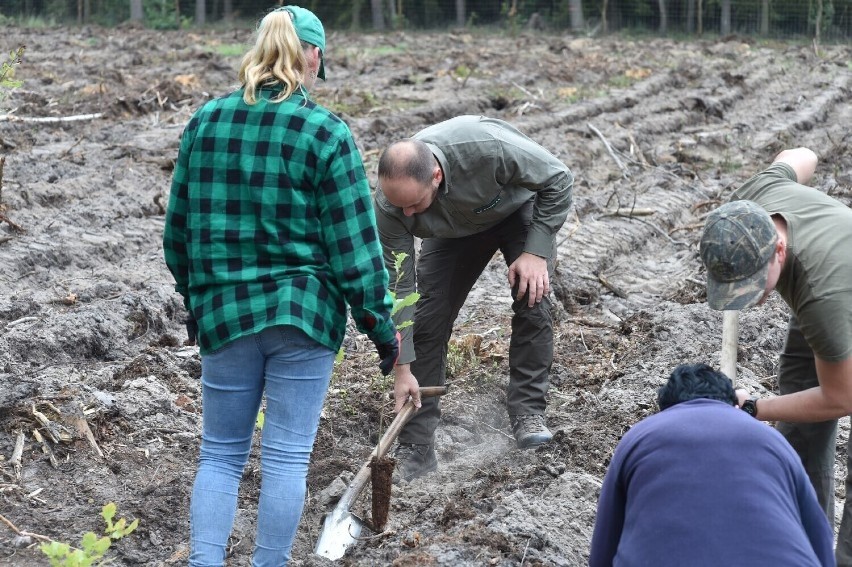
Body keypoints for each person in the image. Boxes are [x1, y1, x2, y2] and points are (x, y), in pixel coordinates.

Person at [162, 7, 417, 565]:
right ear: (314, 58)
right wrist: (388, 342)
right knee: (284, 459)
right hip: (302, 316)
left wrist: (199, 299)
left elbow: (176, 234)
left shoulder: (206, 122)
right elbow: (356, 255)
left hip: (224, 313)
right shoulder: (326, 133)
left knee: (220, 454)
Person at [373, 115, 574, 482]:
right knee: (427, 318)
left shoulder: (486, 148)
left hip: (516, 211)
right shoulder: (392, 206)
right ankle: (417, 447)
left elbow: (558, 178)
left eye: (415, 205)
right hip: (453, 233)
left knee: (533, 299)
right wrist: (402, 367)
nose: (407, 215)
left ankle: (528, 412)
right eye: (399, 206)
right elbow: (399, 290)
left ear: (435, 175)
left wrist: (536, 252)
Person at [699, 147, 852, 565]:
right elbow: (802, 155)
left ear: (778, 251)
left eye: (753, 285)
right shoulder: (752, 201)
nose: (748, 300)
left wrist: (754, 409)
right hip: (824, 282)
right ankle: (803, 545)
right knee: (801, 406)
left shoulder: (825, 297)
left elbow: (841, 398)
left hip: (838, 289)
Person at [589, 363, 835, 567]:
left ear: (665, 407)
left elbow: (603, 549)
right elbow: (819, 540)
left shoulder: (639, 436)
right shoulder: (773, 441)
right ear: (734, 404)